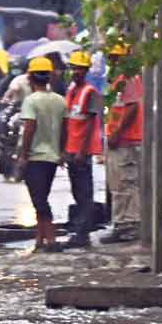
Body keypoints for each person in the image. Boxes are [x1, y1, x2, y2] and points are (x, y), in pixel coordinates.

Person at [14, 56, 67, 253]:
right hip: (52, 158)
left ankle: (50, 239)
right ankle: (40, 239)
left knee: (39, 200)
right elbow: (65, 129)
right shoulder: (60, 101)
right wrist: (61, 151)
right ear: (50, 77)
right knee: (41, 197)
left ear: (29, 77)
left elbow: (29, 128)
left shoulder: (31, 101)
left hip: (35, 157)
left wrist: (23, 155)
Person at [102, 43, 143, 243]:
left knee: (126, 184)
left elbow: (133, 106)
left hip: (126, 141)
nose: (113, 61)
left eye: (116, 57)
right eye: (111, 57)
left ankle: (129, 225)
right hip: (120, 141)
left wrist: (118, 133)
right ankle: (121, 224)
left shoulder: (128, 79)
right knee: (118, 185)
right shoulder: (117, 81)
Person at [63, 50, 102, 248]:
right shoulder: (72, 91)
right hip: (71, 148)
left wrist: (81, 151)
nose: (76, 72)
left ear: (86, 71)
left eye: (79, 69)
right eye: (74, 68)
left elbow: (88, 124)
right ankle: (80, 230)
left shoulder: (90, 93)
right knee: (77, 191)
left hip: (81, 151)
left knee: (84, 192)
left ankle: (82, 233)